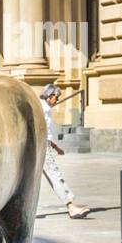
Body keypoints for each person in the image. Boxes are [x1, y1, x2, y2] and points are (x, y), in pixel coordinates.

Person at [40, 85, 91, 219]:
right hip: (40, 148)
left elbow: (45, 132)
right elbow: (40, 131)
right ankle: (71, 207)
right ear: (49, 96)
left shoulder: (44, 108)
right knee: (55, 176)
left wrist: (55, 146)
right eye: (56, 97)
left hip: (40, 146)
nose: (57, 100)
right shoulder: (43, 109)